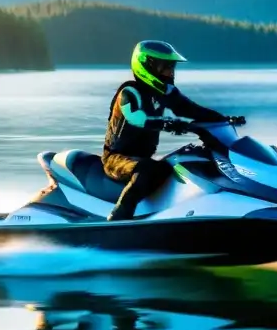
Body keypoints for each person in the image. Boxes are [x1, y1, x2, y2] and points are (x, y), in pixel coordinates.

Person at [103, 40, 244, 221]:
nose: (170, 72)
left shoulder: (165, 92)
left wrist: (223, 119)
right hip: (116, 158)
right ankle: (118, 217)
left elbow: (192, 109)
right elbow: (138, 119)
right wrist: (167, 123)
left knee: (179, 163)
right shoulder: (129, 93)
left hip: (142, 158)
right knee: (147, 169)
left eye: (172, 66)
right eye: (165, 67)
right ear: (147, 66)